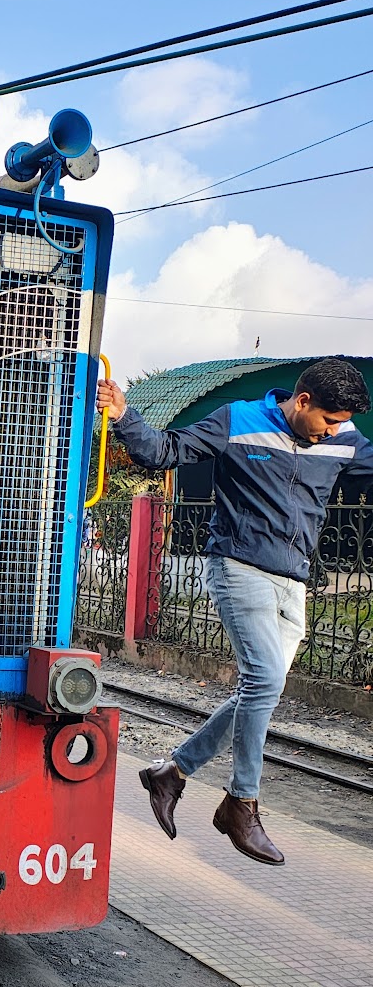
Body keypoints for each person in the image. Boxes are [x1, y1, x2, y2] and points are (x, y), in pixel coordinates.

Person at [97, 357, 373, 865]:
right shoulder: (237, 420)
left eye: (342, 423)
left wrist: (343, 433)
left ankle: (171, 773)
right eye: (329, 420)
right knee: (265, 681)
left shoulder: (346, 438)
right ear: (302, 400)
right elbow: (167, 450)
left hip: (294, 584)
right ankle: (241, 804)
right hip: (239, 568)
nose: (336, 431)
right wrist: (123, 416)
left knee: (258, 692)